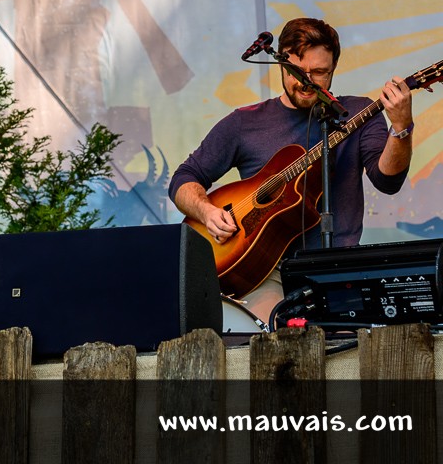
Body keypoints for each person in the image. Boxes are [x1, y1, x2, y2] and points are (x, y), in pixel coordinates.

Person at [169, 17, 414, 319]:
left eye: (319, 73)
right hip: (264, 272)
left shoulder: (359, 112)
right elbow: (184, 178)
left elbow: (387, 180)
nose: (306, 81)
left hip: (340, 268)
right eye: (298, 71)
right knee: (272, 341)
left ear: (334, 70)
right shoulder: (245, 123)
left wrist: (401, 127)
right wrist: (207, 212)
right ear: (282, 63)